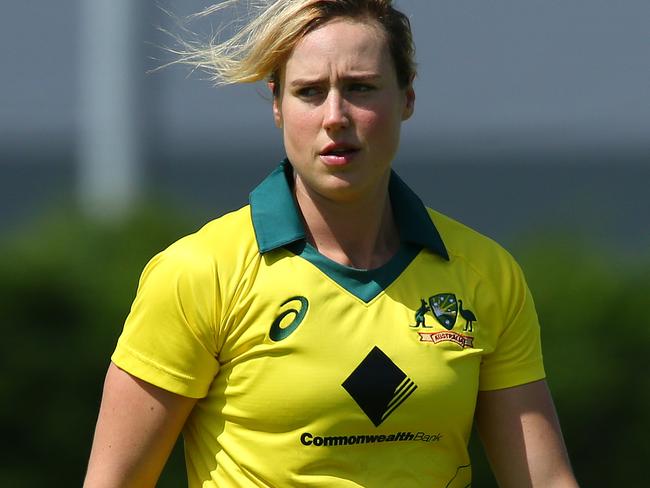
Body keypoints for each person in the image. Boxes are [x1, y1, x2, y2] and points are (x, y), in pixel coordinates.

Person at [84, 1, 579, 486]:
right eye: (310, 92)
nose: (335, 116)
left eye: (361, 88)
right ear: (277, 104)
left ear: (407, 97)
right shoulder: (199, 271)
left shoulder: (485, 272)